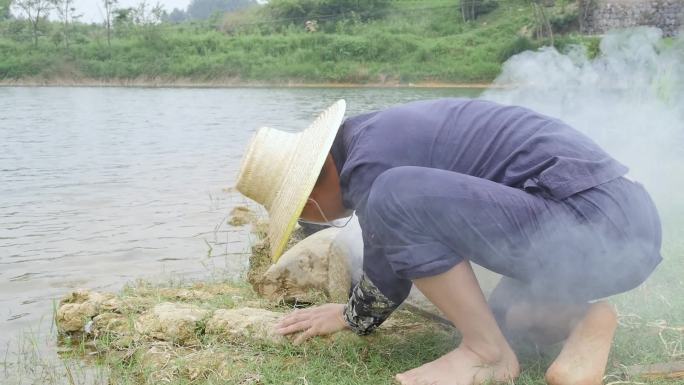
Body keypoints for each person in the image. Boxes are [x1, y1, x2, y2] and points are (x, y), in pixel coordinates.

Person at [235, 98, 662, 385]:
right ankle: (585, 320)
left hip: (598, 226)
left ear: (310, 191)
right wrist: (355, 311)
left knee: (394, 194)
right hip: (616, 234)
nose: (315, 219)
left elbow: (388, 265)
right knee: (500, 318)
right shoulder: (374, 137)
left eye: (302, 212)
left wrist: (352, 316)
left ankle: (486, 352)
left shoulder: (371, 161)